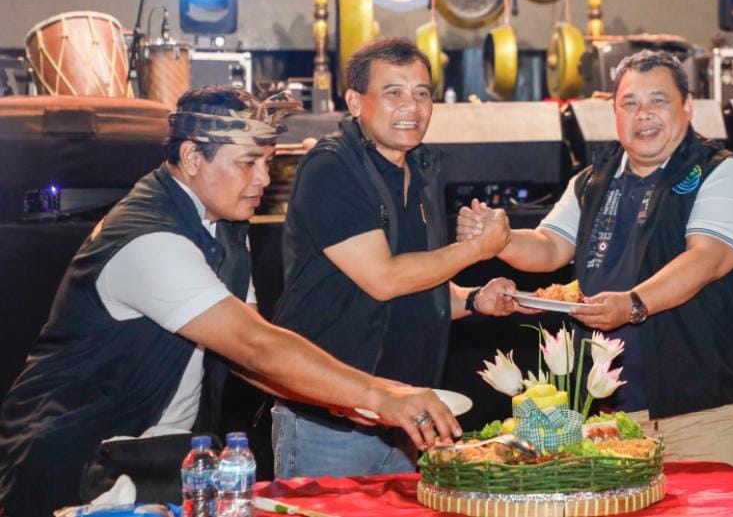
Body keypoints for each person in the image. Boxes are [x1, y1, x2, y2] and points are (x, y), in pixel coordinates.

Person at [0, 86, 460, 517]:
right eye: (247, 162)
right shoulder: (150, 239)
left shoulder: (222, 225)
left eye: (268, 161)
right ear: (191, 157)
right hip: (77, 464)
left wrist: (344, 400)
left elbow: (246, 356)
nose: (264, 178)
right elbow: (253, 345)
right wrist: (379, 394)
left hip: (156, 457)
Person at [457, 50, 733, 478]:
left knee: (722, 506)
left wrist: (633, 304)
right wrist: (502, 240)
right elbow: (550, 246)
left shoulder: (721, 172)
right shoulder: (593, 180)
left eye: (658, 100)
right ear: (614, 112)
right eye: (630, 103)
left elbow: (708, 257)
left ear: (687, 106)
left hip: (706, 407)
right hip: (615, 415)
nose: (644, 114)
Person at [271, 38, 524, 478]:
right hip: (332, 423)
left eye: (421, 93)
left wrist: (473, 299)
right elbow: (384, 279)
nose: (411, 106)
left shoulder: (421, 170)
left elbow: (415, 285)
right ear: (355, 102)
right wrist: (476, 249)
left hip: (409, 419)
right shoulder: (331, 169)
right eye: (393, 92)